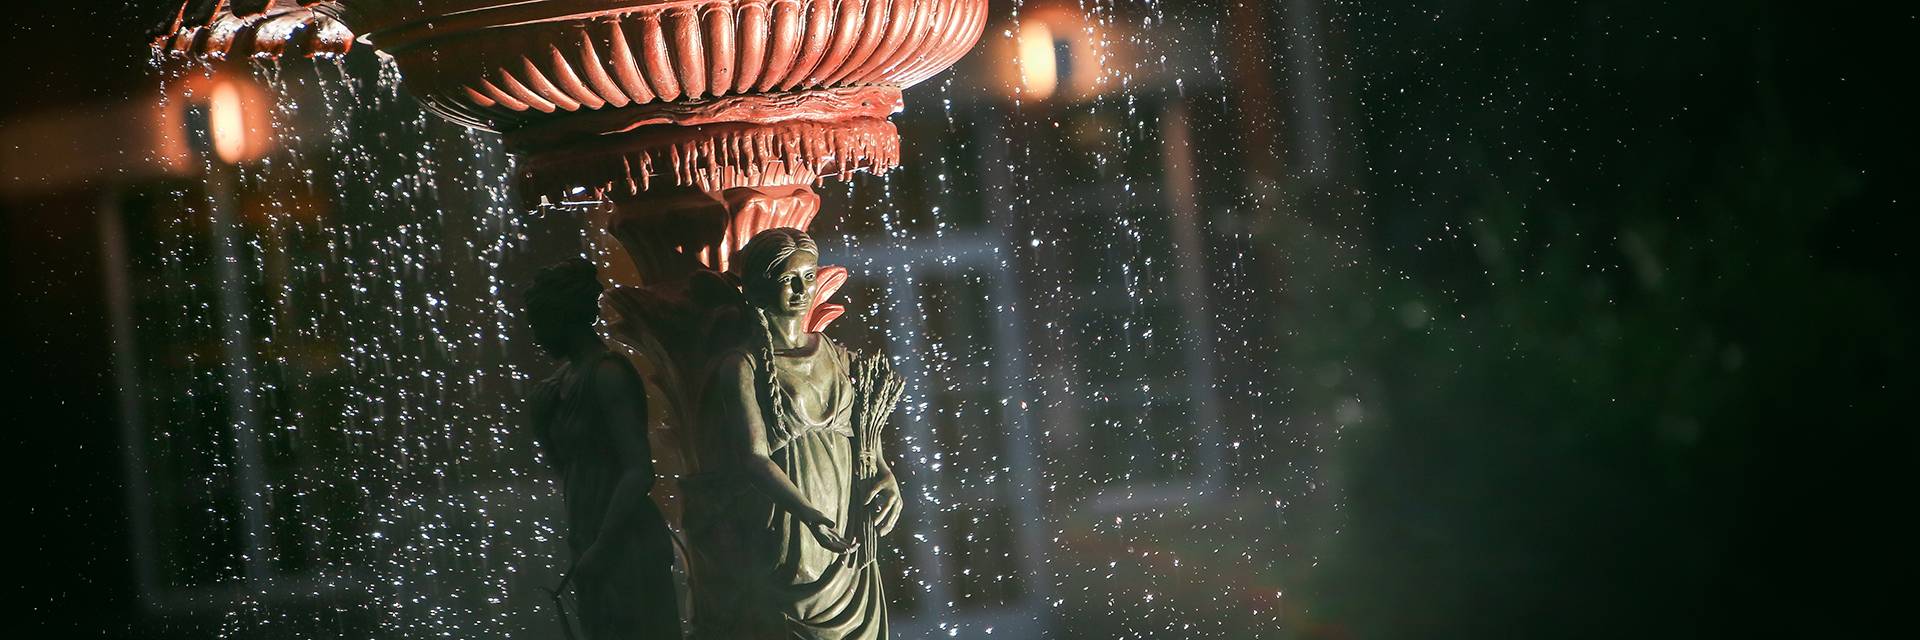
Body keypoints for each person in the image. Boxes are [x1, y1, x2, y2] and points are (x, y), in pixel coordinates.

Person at [685, 228, 902, 640]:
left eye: (808, 276)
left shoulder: (839, 357)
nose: (803, 289)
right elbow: (754, 458)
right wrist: (807, 514)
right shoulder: (742, 366)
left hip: (847, 525)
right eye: (788, 280)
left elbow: (864, 441)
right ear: (760, 286)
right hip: (789, 524)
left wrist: (886, 477)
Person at [524, 259, 682, 639]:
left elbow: (638, 470)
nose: (535, 335)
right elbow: (568, 468)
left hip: (624, 542)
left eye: (539, 322)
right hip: (589, 536)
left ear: (564, 317)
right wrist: (541, 422)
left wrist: (602, 546)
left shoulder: (608, 375)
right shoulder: (563, 382)